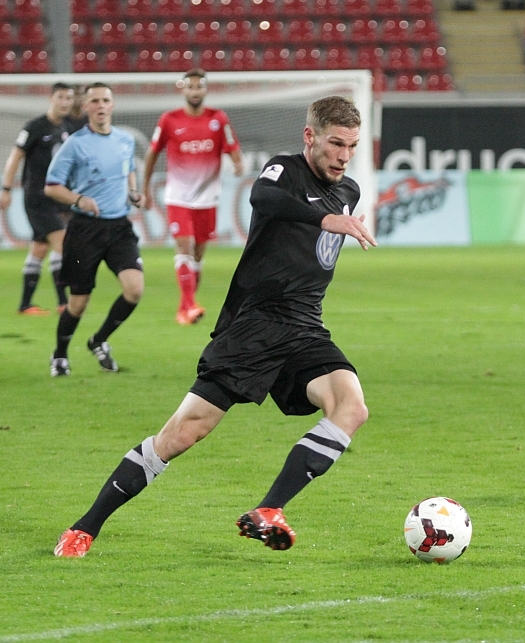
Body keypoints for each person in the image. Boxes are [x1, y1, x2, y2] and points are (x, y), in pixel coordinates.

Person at [54, 95, 376, 558]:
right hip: (253, 327)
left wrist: (336, 216)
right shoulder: (284, 171)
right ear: (310, 137)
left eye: (352, 146)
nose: (344, 156)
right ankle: (84, 528)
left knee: (351, 407)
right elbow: (263, 198)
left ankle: (268, 511)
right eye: (335, 144)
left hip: (305, 328)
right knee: (181, 435)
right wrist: (327, 219)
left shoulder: (348, 192)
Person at [44, 82, 147, 378]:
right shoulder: (75, 144)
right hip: (84, 230)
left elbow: (128, 169)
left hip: (119, 227)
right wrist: (79, 199)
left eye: (105, 100)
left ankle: (99, 340)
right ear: (86, 107)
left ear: (112, 105)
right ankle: (60, 354)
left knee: (135, 289)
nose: (101, 105)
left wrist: (133, 192)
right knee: (78, 303)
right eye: (95, 101)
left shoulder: (125, 140)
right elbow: (51, 186)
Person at [142, 68, 244, 326]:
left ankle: (185, 307)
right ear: (183, 90)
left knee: (198, 255)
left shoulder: (218, 118)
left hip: (207, 199)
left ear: (205, 89)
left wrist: (237, 163)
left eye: (199, 86)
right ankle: (189, 305)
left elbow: (232, 146)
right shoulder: (169, 119)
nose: (195, 91)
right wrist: (145, 189)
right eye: (191, 87)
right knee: (184, 248)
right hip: (178, 198)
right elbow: (152, 153)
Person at [0, 82, 83, 316]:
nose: (65, 102)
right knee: (63, 244)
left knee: (40, 248)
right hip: (38, 197)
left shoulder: (68, 127)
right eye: (61, 97)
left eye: (69, 98)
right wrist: (6, 188)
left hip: (59, 196)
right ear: (51, 99)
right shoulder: (35, 127)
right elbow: (15, 157)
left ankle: (25, 305)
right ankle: (64, 303)